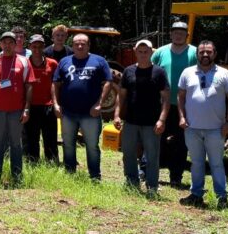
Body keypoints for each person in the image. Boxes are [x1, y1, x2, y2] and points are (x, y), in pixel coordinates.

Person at [177, 40, 228, 209]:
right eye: (202, 52)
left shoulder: (224, 74)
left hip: (216, 130)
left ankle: (221, 197)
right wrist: (181, 117)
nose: (205, 55)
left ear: (215, 54)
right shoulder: (188, 72)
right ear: (197, 54)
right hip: (192, 128)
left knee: (216, 163)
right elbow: (180, 97)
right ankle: (196, 194)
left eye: (209, 52)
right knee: (196, 163)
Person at [113, 40, 170, 195]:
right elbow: (121, 96)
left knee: (152, 156)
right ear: (135, 51)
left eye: (146, 52)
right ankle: (132, 182)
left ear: (151, 52)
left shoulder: (159, 72)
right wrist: (117, 115)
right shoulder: (128, 71)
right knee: (128, 153)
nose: (143, 54)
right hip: (131, 121)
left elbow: (166, 98)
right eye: (140, 51)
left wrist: (162, 120)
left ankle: (152, 186)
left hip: (152, 122)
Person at [53, 33, 113, 179]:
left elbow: (108, 82)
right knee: (68, 144)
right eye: (76, 43)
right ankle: (70, 173)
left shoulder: (99, 61)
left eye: (83, 43)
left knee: (92, 146)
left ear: (88, 45)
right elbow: (55, 83)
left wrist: (99, 104)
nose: (80, 46)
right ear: (72, 45)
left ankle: (94, 176)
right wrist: (55, 104)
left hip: (90, 113)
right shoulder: (64, 61)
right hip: (68, 112)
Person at [152, 21, 197, 188]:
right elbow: (150, 72)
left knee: (180, 142)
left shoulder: (194, 52)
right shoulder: (160, 52)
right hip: (161, 105)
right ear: (170, 34)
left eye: (182, 32)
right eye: (175, 32)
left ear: (187, 35)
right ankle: (147, 171)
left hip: (184, 107)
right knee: (156, 139)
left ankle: (176, 176)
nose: (178, 35)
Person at [0, 32, 33, 181]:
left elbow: (29, 86)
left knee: (16, 143)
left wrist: (26, 109)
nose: (8, 45)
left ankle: (17, 176)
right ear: (0, 44)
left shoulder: (23, 62)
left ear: (16, 44)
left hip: (17, 110)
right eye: (4, 42)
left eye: (11, 42)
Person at [26, 34, 59, 163]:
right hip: (31, 106)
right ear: (29, 47)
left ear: (44, 47)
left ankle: (51, 161)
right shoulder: (24, 63)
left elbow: (56, 84)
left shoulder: (53, 63)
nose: (37, 49)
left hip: (48, 105)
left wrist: (56, 103)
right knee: (32, 137)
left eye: (40, 46)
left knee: (50, 137)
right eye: (34, 46)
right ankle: (32, 161)